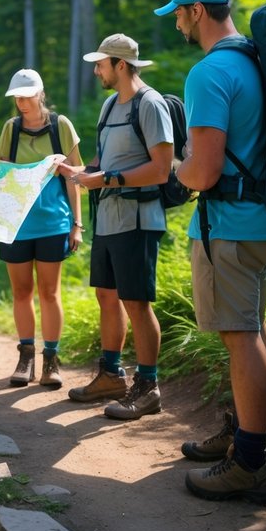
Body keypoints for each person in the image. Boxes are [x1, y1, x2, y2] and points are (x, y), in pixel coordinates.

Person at [156, 0, 266, 505]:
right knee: (254, 328)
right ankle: (243, 438)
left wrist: (174, 172)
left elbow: (204, 171)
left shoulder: (210, 73)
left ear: (197, 12)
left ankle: (250, 465)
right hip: (262, 216)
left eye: (180, 14)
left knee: (240, 335)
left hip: (228, 225)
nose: (179, 23)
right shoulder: (255, 62)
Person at [58, 34, 172, 422]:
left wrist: (105, 180)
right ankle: (110, 375)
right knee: (107, 296)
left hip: (138, 220)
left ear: (120, 65)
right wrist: (78, 171)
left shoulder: (151, 104)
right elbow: (104, 160)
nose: (96, 70)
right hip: (108, 219)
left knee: (137, 303)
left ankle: (148, 386)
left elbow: (161, 168)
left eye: (101, 64)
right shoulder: (110, 105)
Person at [0, 69, 84, 389]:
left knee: (49, 292)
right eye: (17, 97)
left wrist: (77, 225)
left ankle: (51, 359)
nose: (21, 102)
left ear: (40, 94)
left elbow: (76, 177)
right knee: (21, 292)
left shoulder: (61, 126)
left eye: (27, 96)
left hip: (53, 223)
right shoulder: (11, 129)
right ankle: (26, 356)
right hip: (16, 225)